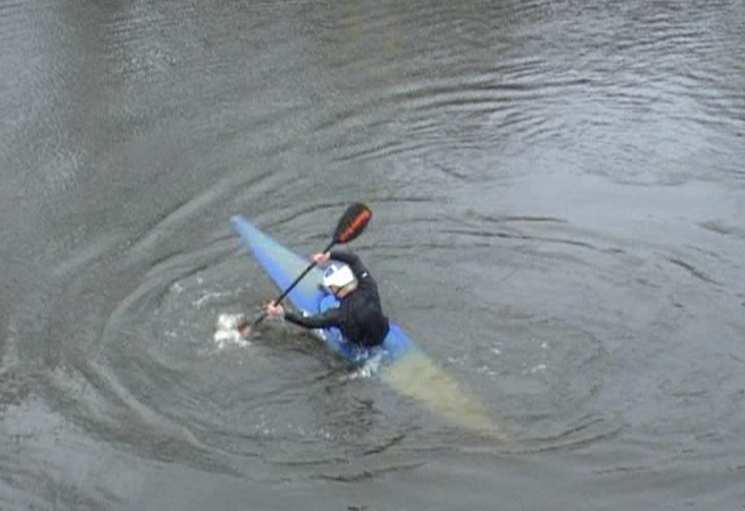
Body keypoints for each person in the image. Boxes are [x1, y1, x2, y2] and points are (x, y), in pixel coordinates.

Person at [263, 249, 389, 347]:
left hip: (361, 345)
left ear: (336, 288)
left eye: (331, 288)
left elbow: (310, 322)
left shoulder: (339, 315)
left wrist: (283, 313)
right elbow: (354, 259)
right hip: (383, 332)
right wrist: (329, 255)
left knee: (337, 329)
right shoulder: (369, 286)